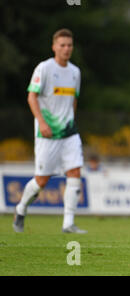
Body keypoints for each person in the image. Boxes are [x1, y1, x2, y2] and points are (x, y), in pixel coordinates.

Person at [13, 28, 87, 234]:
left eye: (69, 45)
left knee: (74, 173)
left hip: (69, 132)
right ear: (54, 47)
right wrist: (42, 123)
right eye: (62, 45)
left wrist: (70, 120)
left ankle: (68, 224)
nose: (66, 49)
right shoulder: (44, 68)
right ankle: (20, 208)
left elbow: (73, 99)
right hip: (47, 133)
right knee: (41, 181)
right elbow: (31, 97)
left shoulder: (75, 72)